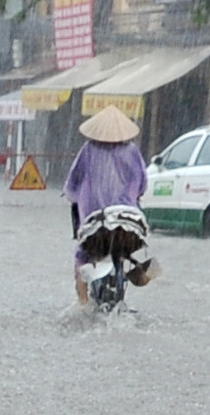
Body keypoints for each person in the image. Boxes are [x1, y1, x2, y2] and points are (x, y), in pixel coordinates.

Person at [63, 104, 156, 305]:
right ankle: (131, 277)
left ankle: (83, 303)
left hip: (94, 222)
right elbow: (142, 185)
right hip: (127, 222)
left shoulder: (88, 150)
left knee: (82, 257)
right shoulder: (132, 152)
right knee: (133, 253)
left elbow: (71, 186)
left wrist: (76, 198)